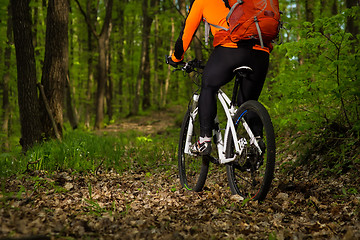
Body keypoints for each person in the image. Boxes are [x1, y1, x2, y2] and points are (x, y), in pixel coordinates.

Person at [167, 0, 271, 155]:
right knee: (249, 101)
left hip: (230, 50)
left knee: (209, 86)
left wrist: (176, 58)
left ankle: (204, 141)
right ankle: (257, 141)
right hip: (261, 52)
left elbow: (186, 35)